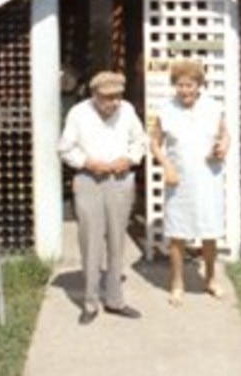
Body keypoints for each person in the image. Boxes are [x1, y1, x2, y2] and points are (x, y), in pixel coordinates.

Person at [58, 70, 147, 324]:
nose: (114, 102)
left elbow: (140, 140)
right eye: (108, 97)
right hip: (89, 179)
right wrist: (87, 162)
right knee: (90, 240)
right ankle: (90, 302)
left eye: (118, 96)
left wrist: (129, 158)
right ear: (94, 95)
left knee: (118, 240)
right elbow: (65, 148)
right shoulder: (78, 113)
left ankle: (116, 301)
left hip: (120, 180)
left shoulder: (127, 110)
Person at [149, 59, 231, 306]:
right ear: (175, 86)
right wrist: (167, 165)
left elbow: (225, 133)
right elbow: (154, 143)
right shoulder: (165, 110)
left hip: (208, 177)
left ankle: (210, 279)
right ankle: (177, 282)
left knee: (210, 231)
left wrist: (223, 146)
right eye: (180, 85)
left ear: (199, 85)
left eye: (190, 85)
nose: (185, 90)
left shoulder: (213, 107)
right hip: (179, 180)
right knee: (178, 232)